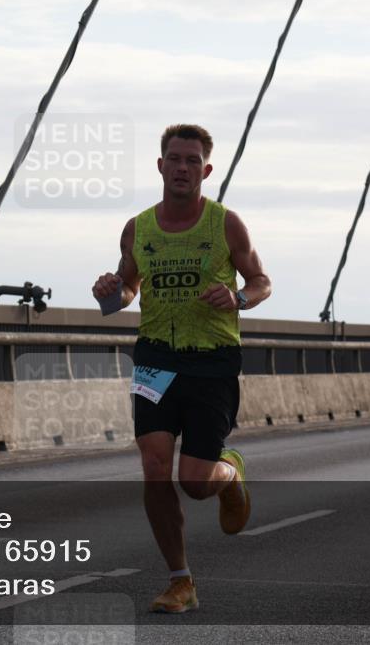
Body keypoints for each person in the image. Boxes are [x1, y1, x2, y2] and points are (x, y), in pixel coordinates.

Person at [91, 124, 272, 614]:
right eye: (175, 158)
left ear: (206, 170)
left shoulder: (225, 224)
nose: (183, 168)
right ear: (160, 166)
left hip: (211, 360)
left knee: (194, 482)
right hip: (154, 359)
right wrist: (112, 291)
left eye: (193, 161)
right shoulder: (138, 228)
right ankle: (180, 581)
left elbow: (260, 280)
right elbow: (127, 291)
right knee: (153, 469)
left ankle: (229, 474)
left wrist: (238, 297)